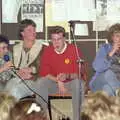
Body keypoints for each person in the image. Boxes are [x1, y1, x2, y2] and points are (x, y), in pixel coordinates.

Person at [35, 26, 84, 120]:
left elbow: (79, 73)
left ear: (64, 39)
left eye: (59, 39)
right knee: (41, 82)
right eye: (53, 40)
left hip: (71, 83)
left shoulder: (74, 50)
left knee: (78, 83)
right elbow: (44, 72)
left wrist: (67, 76)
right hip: (54, 83)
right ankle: (40, 117)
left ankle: (77, 118)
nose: (56, 42)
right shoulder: (48, 50)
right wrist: (58, 81)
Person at [5, 19, 43, 100]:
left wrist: (31, 71)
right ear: (22, 33)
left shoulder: (43, 48)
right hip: (17, 78)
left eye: (34, 30)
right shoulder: (15, 49)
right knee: (6, 92)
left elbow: (46, 68)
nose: (33, 32)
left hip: (34, 81)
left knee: (15, 91)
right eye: (29, 30)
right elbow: (11, 67)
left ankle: (15, 112)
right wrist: (17, 73)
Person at [89, 23, 120, 96]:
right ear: (112, 37)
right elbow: (97, 67)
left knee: (108, 90)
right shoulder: (104, 48)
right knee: (108, 73)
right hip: (99, 81)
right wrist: (112, 52)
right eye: (117, 36)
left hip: (114, 84)